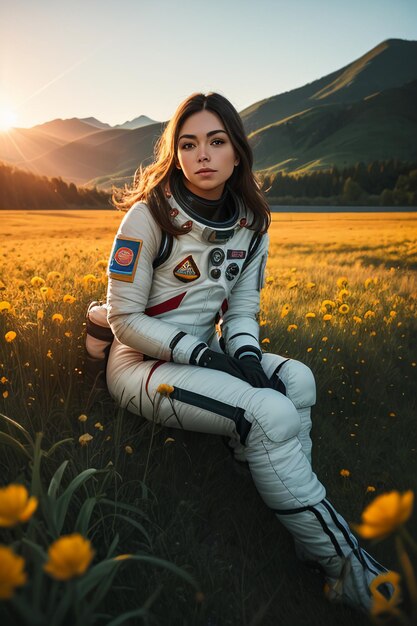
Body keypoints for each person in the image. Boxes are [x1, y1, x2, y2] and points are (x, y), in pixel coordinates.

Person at [86, 92, 390, 612]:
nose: (202, 154)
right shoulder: (148, 216)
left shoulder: (253, 222)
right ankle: (347, 569)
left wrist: (244, 357)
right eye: (188, 144)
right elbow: (124, 320)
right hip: (140, 363)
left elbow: (242, 312)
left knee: (299, 383)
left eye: (216, 141)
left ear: (236, 152)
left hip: (204, 353)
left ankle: (300, 532)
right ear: (176, 154)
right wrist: (202, 356)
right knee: (268, 412)